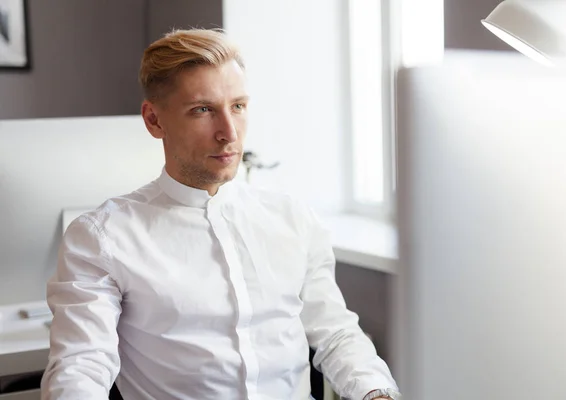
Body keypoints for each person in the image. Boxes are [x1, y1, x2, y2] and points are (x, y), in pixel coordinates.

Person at [41, 28, 400, 400]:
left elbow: (335, 332)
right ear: (154, 120)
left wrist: (376, 392)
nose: (229, 132)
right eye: (203, 110)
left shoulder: (294, 219)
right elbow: (81, 366)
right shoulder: (103, 237)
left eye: (238, 106)